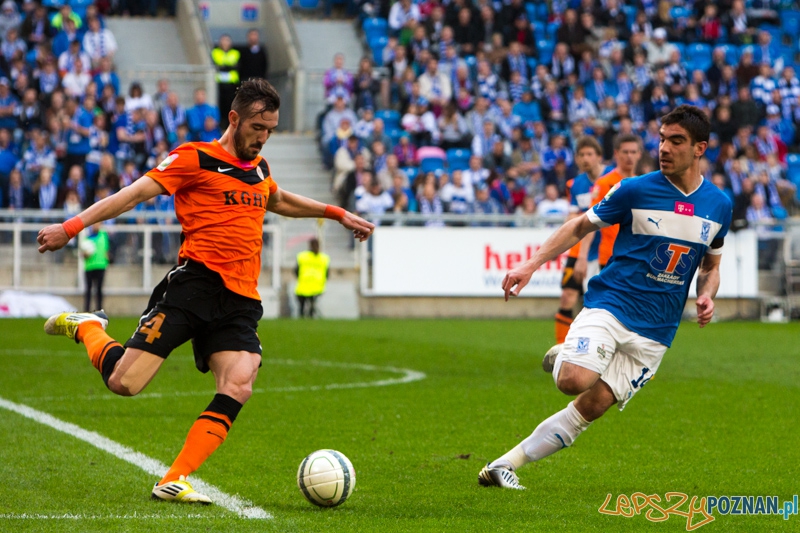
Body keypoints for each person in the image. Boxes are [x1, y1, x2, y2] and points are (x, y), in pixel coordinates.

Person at [38, 79, 374, 504]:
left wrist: (338, 213)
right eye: (257, 127)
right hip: (193, 286)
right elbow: (132, 195)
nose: (262, 137)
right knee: (125, 384)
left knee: (240, 380)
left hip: (240, 300)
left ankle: (173, 478)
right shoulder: (194, 158)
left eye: (270, 129)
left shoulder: (260, 168)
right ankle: (88, 327)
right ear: (234, 119)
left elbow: (280, 199)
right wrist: (70, 227)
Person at [478, 105, 732, 490]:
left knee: (593, 406)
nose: (664, 148)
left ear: (700, 148)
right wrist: (530, 265)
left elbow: (710, 267)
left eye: (676, 141)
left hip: (658, 331)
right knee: (573, 380)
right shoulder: (635, 189)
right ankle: (566, 353)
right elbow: (580, 225)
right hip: (611, 305)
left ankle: (503, 465)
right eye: (662, 138)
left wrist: (707, 295)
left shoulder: (719, 206)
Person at [554, 137, 612, 345]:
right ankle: (561, 349)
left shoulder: (612, 179)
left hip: (608, 249)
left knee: (603, 304)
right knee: (567, 296)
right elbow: (573, 216)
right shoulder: (576, 184)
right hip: (581, 248)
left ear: (599, 157)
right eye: (582, 155)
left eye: (590, 154)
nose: (586, 158)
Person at [574, 134, 644, 277]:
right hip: (610, 256)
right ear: (616, 154)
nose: (629, 156)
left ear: (639, 155)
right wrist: (582, 257)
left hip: (636, 256)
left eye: (633, 152)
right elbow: (591, 221)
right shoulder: (604, 183)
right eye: (625, 152)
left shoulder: (643, 185)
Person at [294, 238, 330, 318]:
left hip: (303, 285)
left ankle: (301, 318)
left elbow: (296, 271)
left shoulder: (302, 256)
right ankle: (311, 317)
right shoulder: (324, 258)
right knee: (312, 305)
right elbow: (327, 274)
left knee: (301, 306)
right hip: (318, 287)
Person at [211, 34, 240, 130]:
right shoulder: (215, 52)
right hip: (219, 83)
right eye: (223, 40)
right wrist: (229, 66)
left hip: (231, 84)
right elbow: (217, 66)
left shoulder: (235, 53)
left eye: (227, 40)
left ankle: (230, 125)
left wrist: (224, 66)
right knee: (220, 105)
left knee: (231, 105)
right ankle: (220, 125)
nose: (225, 43)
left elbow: (236, 66)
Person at [81, 222, 109, 312]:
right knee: (88, 290)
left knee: (99, 290)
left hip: (101, 265)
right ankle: (87, 310)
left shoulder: (103, 235)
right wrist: (85, 254)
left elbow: (106, 249)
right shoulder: (87, 236)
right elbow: (83, 252)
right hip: (89, 266)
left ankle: (99, 310)